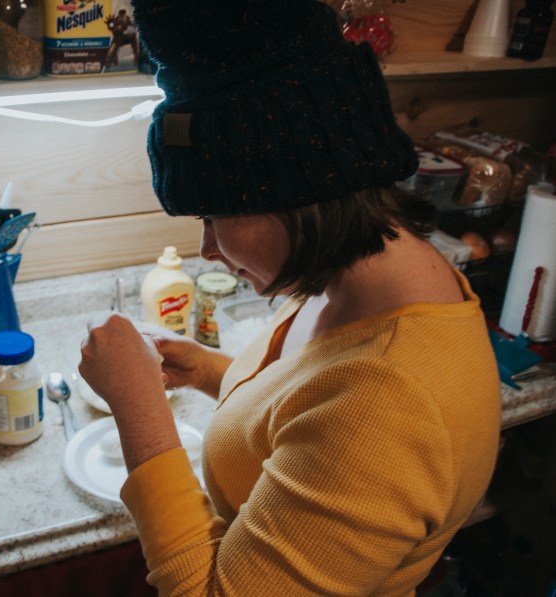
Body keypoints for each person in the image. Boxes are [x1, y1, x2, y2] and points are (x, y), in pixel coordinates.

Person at [77, 0, 503, 594]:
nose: (207, 248)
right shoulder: (358, 282)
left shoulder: (390, 405)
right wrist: (209, 371)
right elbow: (306, 407)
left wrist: (137, 408)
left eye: (213, 215)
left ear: (297, 191)